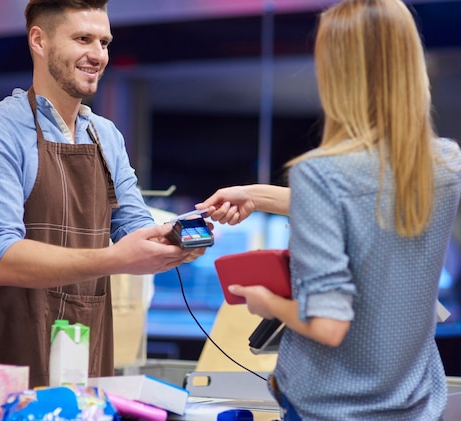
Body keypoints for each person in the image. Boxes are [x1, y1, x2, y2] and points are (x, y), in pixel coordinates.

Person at [197, 0, 461, 419]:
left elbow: (328, 325)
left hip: (330, 407)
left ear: (340, 71)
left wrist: (267, 302)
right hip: (414, 403)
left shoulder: (321, 174)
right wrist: (258, 196)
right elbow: (372, 202)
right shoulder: (446, 164)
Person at [0, 0, 206, 388]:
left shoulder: (106, 136)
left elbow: (133, 227)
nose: (97, 54)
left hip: (82, 356)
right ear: (39, 40)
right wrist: (115, 258)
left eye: (104, 42)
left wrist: (176, 238)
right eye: (83, 39)